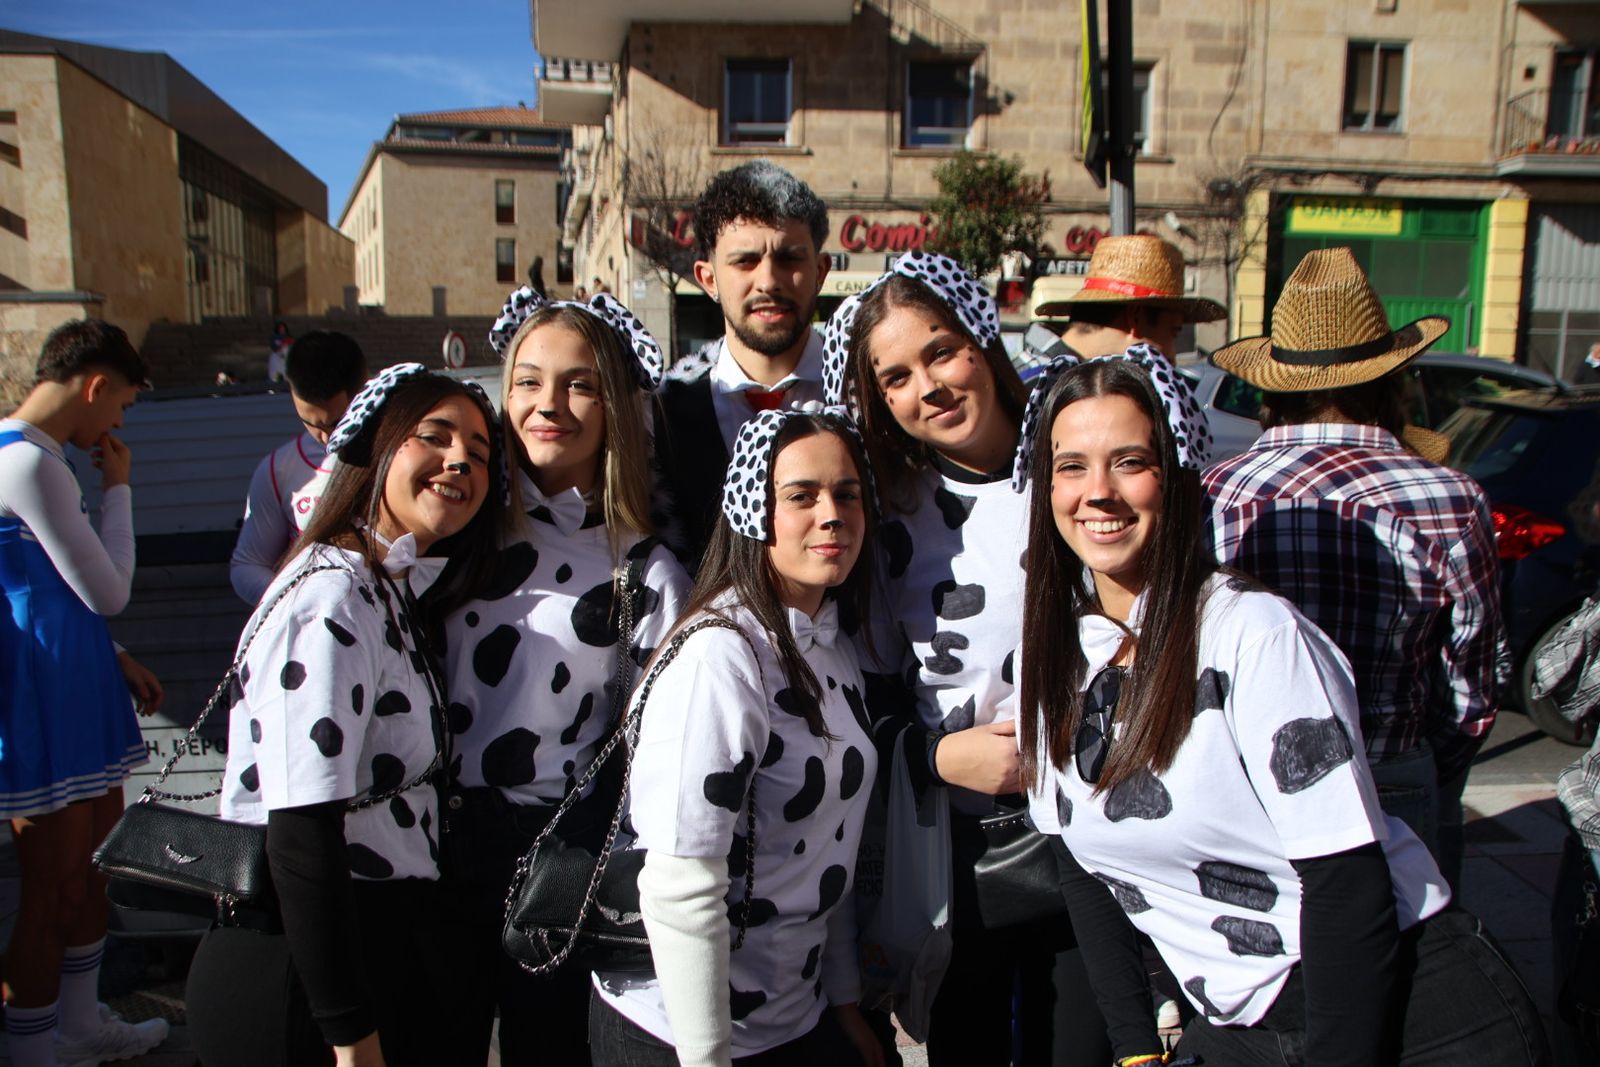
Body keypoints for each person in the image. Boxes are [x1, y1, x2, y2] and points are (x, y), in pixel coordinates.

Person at [1015, 349, 1549, 1066]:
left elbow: (1346, 882)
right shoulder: (1053, 657)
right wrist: (1136, 1047)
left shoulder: (1254, 631)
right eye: (1072, 464)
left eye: (1130, 460)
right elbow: (1081, 867)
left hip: (1413, 1013)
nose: (1098, 491)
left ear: (1173, 481)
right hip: (1241, 1027)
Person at [828, 251, 1108, 1066]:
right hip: (963, 847)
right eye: (896, 377)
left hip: (1100, 830)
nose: (930, 387)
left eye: (941, 350)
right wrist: (935, 752)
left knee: (1088, 1045)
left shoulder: (1075, 471)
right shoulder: (890, 513)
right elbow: (862, 691)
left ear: (984, 340)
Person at [185, 364, 507, 1067]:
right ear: (380, 446)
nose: (460, 460)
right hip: (309, 974)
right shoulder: (331, 594)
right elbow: (301, 831)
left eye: (480, 453)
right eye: (436, 435)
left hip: (370, 949)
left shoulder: (386, 588)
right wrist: (350, 1035)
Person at [1203, 247, 1507, 892]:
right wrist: (1423, 760)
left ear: (1275, 390)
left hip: (1249, 777)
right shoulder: (1449, 497)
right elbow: (1473, 678)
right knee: (1411, 977)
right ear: (1392, 382)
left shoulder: (1215, 493)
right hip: (1391, 770)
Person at [591, 410, 883, 1067]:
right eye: (801, 496)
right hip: (681, 1035)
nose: (832, 514)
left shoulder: (828, 640)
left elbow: (827, 850)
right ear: (754, 510)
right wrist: (706, 1056)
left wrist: (842, 1001)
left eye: (847, 492)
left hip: (793, 1016)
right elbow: (679, 880)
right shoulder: (719, 656)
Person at [444, 288, 690, 1065]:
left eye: (581, 383)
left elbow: (660, 757)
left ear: (616, 403)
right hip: (427, 847)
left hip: (554, 859)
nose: (550, 403)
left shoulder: (646, 571)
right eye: (529, 379)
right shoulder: (451, 525)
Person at [1, 319, 168, 1067]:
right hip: (45, 697)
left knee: (91, 867)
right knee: (49, 890)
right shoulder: (28, 465)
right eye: (121, 405)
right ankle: (33, 1050)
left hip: (76, 680)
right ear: (95, 385)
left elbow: (46, 591)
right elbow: (107, 588)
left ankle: (76, 1023)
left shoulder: (32, 459)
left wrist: (115, 655)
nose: (117, 423)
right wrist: (122, 489)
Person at [653, 160, 832, 573]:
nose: (769, 281)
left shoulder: (871, 399)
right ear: (708, 278)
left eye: (789, 258)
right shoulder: (658, 418)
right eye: (745, 261)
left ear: (819, 271)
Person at [231, 330, 368, 603]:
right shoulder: (278, 468)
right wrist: (298, 600)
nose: (328, 438)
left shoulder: (404, 453)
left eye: (337, 422)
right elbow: (247, 566)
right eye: (311, 423)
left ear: (365, 388)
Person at [1033, 234, 1225, 360]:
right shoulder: (1054, 394)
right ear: (1135, 318)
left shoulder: (1043, 381)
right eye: (1172, 332)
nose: (1172, 356)